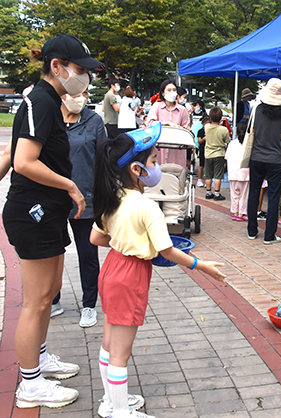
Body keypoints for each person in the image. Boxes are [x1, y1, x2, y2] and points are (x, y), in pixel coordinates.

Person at [90, 125, 226, 418]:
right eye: (153, 161)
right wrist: (202, 266)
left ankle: (111, 401)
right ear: (137, 169)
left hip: (112, 268)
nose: (158, 167)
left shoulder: (112, 196)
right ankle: (120, 413)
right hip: (130, 275)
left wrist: (125, 239)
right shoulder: (147, 207)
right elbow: (167, 251)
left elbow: (96, 238)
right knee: (121, 353)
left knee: (109, 340)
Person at [4, 33, 103, 409]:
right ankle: (30, 385)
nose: (84, 79)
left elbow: (12, 152)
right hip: (34, 211)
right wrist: (72, 187)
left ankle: (40, 359)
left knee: (47, 296)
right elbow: (24, 162)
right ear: (57, 67)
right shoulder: (40, 101)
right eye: (79, 70)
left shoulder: (47, 100)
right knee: (36, 301)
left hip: (47, 211)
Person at [49, 86, 105, 328]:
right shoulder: (50, 117)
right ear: (62, 94)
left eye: (84, 93)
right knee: (51, 252)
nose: (79, 98)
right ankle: (52, 300)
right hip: (52, 197)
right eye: (75, 92)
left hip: (86, 197)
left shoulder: (94, 121)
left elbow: (104, 160)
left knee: (87, 253)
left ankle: (89, 305)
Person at [246, 78, 281, 244]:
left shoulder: (257, 110)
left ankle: (252, 231)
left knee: (253, 193)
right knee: (274, 197)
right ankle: (269, 235)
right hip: (275, 159)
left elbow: (252, 131)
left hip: (256, 157)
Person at [147, 79, 190, 166]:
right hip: (159, 147)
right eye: (169, 90)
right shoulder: (157, 106)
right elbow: (150, 124)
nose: (172, 92)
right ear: (163, 93)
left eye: (174, 90)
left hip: (177, 148)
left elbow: (186, 126)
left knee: (176, 172)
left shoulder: (182, 110)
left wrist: (186, 128)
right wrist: (167, 123)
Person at [226, 121, 250, 221]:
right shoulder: (248, 145)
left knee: (234, 194)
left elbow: (226, 157)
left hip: (233, 173)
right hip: (245, 174)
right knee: (244, 195)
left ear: (236, 132)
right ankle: (241, 214)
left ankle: (235, 212)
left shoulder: (232, 143)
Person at [204, 107, 230, 201]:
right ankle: (217, 194)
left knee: (208, 175)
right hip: (219, 154)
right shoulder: (223, 130)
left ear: (210, 117)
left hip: (208, 154)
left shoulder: (206, 127)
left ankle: (208, 193)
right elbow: (227, 140)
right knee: (218, 175)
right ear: (221, 117)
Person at [191, 114, 209, 188]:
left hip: (209, 150)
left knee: (208, 167)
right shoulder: (200, 131)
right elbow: (199, 141)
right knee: (201, 166)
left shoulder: (211, 130)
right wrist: (204, 138)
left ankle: (207, 181)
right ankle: (199, 180)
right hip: (202, 150)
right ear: (203, 124)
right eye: (206, 124)